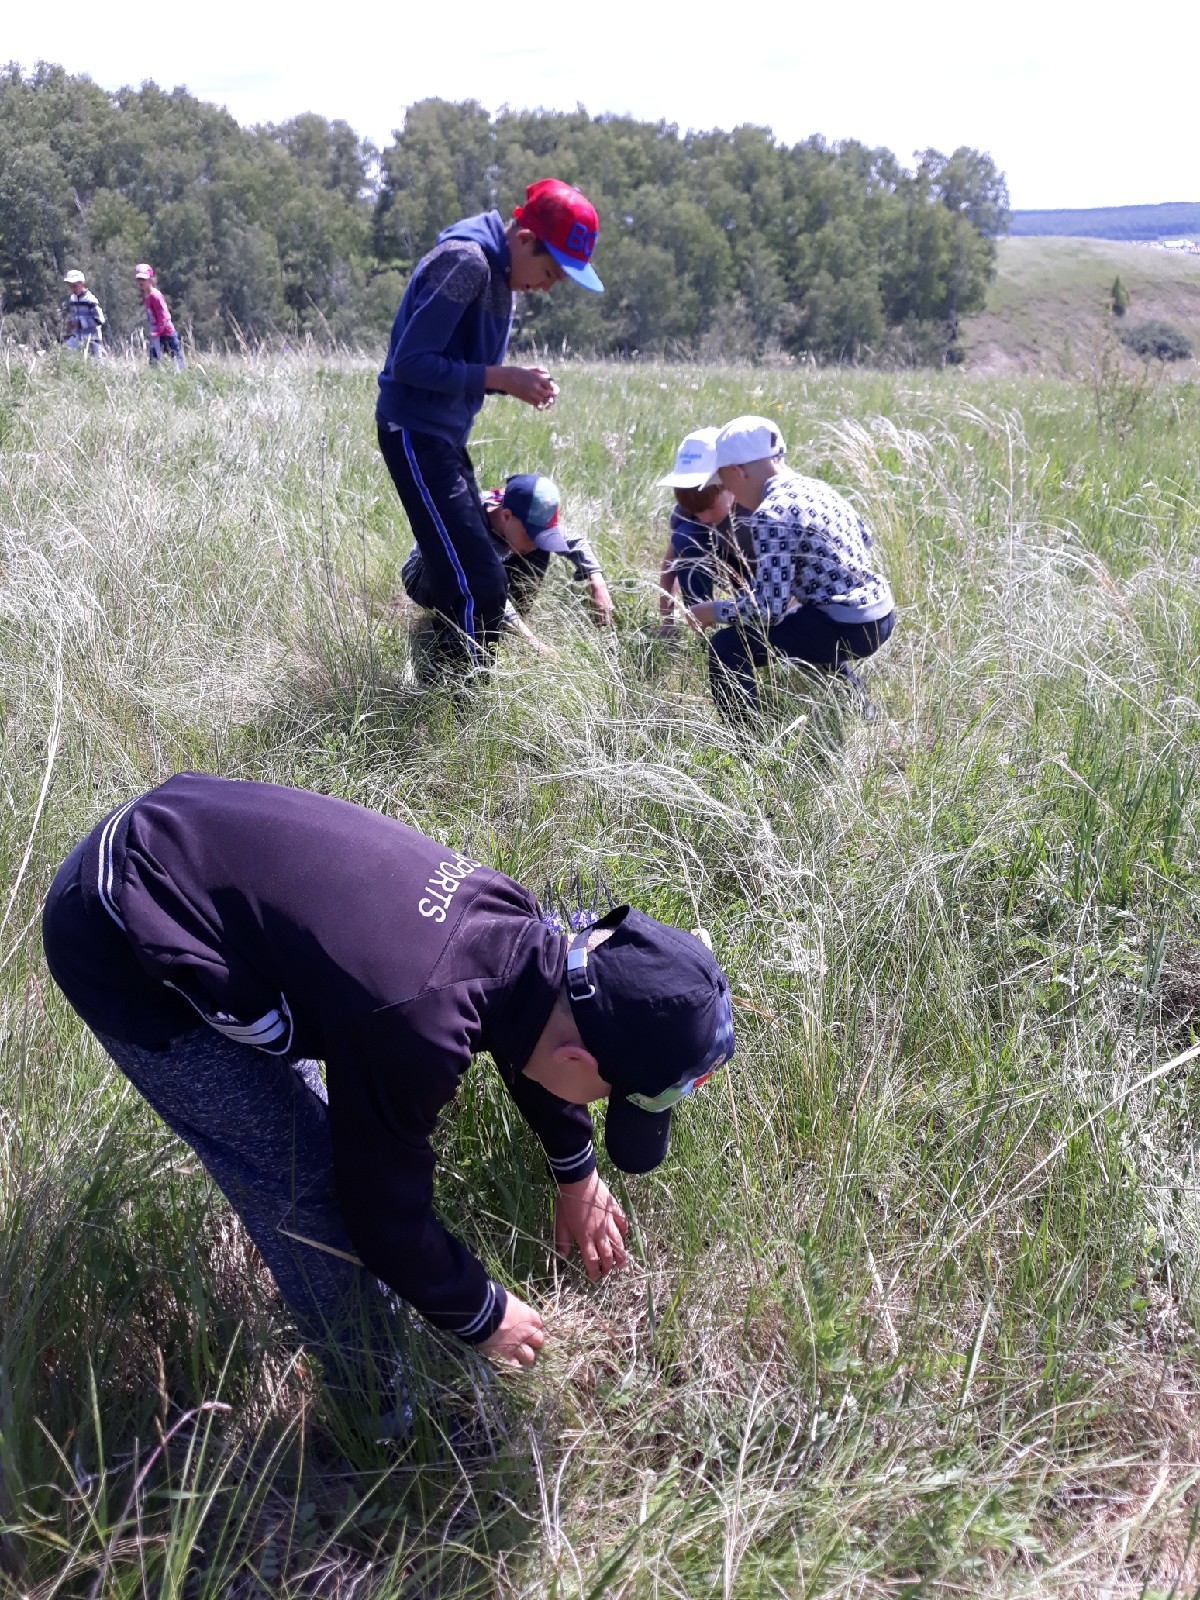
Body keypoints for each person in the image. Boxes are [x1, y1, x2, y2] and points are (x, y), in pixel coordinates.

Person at [42, 773, 734, 1380]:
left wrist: (575, 1171)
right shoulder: (414, 1025)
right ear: (582, 1063)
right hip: (117, 928)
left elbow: (532, 1036)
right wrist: (479, 1311)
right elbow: (381, 1219)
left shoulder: (522, 932)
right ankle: (374, 1400)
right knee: (306, 1184)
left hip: (187, 837)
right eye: (612, 1099)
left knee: (332, 1104)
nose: (603, 1106)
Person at [375, 178, 603, 669]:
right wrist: (500, 376)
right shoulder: (467, 263)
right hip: (414, 432)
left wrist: (512, 382)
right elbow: (409, 364)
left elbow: (457, 365)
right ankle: (460, 711)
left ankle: (443, 682)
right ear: (524, 239)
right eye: (549, 271)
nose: (546, 286)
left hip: (443, 437)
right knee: (479, 582)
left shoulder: (501, 279)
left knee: (473, 574)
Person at [686, 415, 896, 721]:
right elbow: (865, 538)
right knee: (806, 620)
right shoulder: (818, 489)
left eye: (722, 480)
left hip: (846, 628)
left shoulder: (770, 513)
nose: (727, 491)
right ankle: (863, 709)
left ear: (738, 471)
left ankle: (748, 743)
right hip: (881, 614)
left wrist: (711, 611)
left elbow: (768, 610)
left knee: (726, 647)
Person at [401, 472, 613, 659]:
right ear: (506, 516)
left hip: (479, 570)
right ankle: (452, 646)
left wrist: (597, 581)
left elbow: (574, 541)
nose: (534, 544)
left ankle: (505, 623)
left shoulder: (520, 511)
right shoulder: (467, 525)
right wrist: (533, 643)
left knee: (539, 548)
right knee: (477, 587)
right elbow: (486, 587)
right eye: (530, 536)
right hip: (423, 577)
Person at [655, 427, 750, 634]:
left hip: (765, 580)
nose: (704, 518)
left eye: (710, 508)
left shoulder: (754, 508)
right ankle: (699, 626)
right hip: (724, 566)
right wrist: (666, 621)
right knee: (685, 537)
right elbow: (671, 564)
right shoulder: (692, 506)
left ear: (729, 482)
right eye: (696, 511)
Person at [135, 264, 185, 370]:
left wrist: (157, 331)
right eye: (139, 279)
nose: (141, 282)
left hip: (166, 333)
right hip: (156, 333)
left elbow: (163, 316)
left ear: (150, 280)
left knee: (176, 358)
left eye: (143, 279)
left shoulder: (155, 296)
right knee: (154, 361)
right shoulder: (146, 296)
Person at [63, 270, 105, 358]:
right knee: (66, 355)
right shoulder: (73, 299)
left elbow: (99, 320)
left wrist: (81, 323)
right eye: (70, 286)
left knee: (96, 365)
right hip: (78, 338)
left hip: (92, 339)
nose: (72, 289)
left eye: (74, 286)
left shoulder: (90, 300)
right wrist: (71, 322)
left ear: (82, 284)